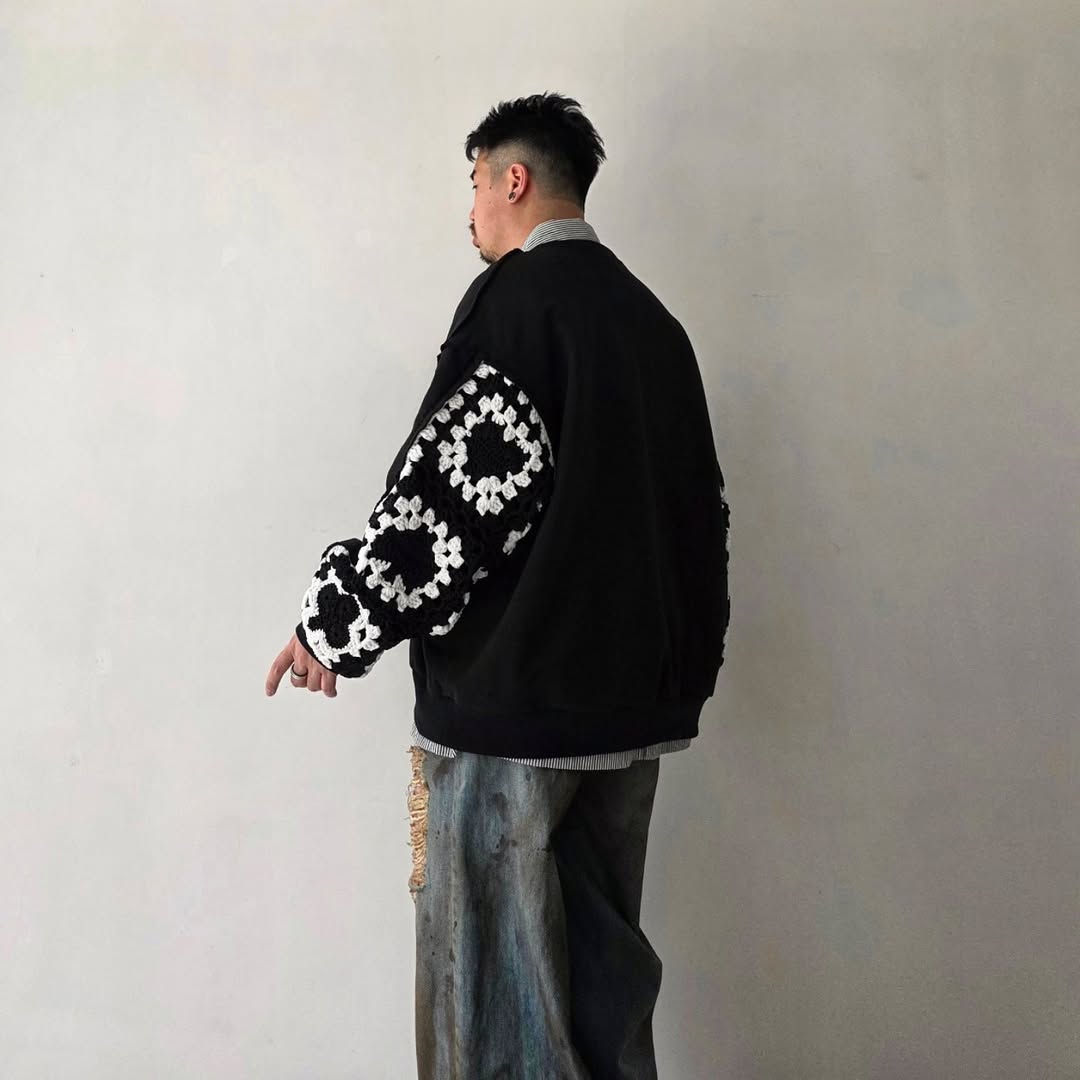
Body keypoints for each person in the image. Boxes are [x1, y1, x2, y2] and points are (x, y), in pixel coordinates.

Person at [265, 91, 730, 1079]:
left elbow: (449, 505)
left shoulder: (517, 307)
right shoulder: (655, 325)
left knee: (488, 1001)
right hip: (631, 713)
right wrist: (680, 673)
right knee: (602, 990)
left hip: (511, 709)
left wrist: (334, 627)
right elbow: (701, 518)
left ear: (513, 179)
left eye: (476, 181)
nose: (470, 207)